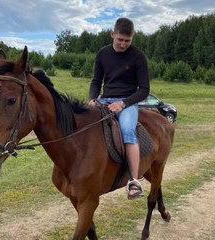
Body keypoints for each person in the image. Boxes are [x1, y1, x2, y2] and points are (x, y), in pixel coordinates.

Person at [89, 17, 150, 200]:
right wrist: (92, 99)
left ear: (132, 38)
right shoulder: (102, 54)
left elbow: (144, 90)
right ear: (112, 34)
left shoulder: (138, 56)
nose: (123, 44)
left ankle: (133, 181)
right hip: (104, 100)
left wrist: (123, 103)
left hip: (127, 102)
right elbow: (96, 81)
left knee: (126, 131)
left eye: (127, 41)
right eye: (120, 40)